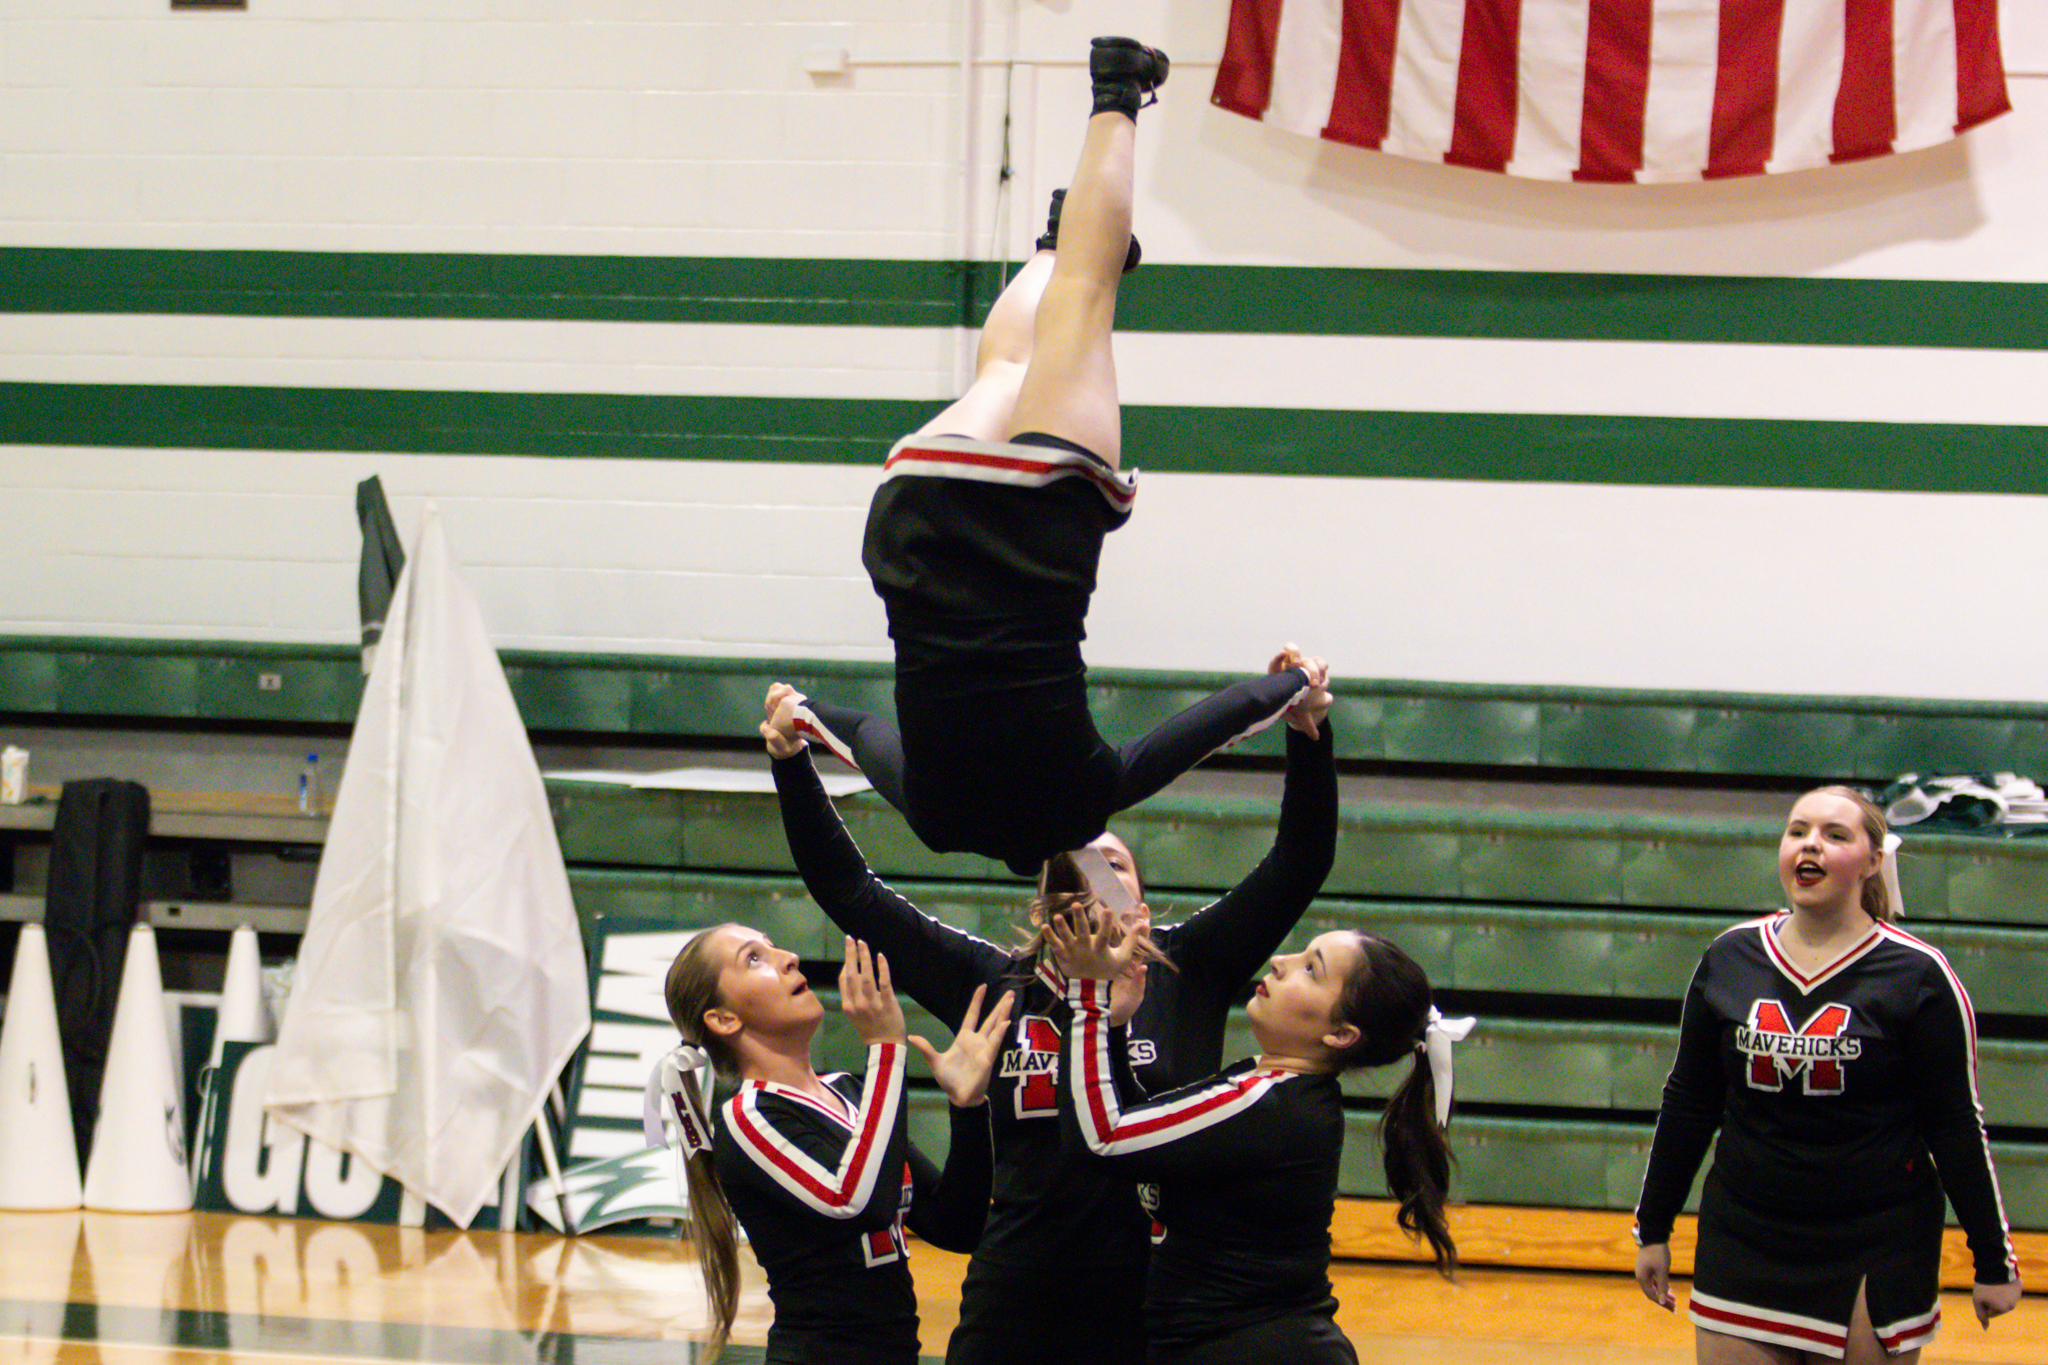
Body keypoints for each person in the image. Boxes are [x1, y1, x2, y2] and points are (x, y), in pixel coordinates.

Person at [773, 35, 1317, 878]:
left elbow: (1204, 728)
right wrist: (796, 713)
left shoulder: (1079, 800)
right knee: (1006, 365)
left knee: (1085, 297)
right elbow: (861, 733)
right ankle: (1055, 241)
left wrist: (1295, 690)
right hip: (916, 507)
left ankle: (1119, 91)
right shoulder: (936, 819)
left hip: (1033, 535)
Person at [762, 652, 1336, 1365]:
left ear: (1142, 908)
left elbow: (1302, 857)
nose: (1090, 867)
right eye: (1070, 863)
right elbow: (850, 890)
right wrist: (792, 761)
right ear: (1041, 902)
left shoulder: (1190, 965)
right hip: (1016, 1290)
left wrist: (1309, 730)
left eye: (1113, 862)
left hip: (1149, 1292)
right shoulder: (994, 980)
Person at [1632, 786, 2023, 1363]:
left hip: (1875, 1240)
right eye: (1798, 831)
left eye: (1835, 835)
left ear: (1872, 862)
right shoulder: (1730, 956)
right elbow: (1689, 1103)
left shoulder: (1918, 974)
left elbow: (1955, 1126)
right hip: (1745, 1234)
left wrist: (1993, 1259)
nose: (1810, 845)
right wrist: (1654, 1228)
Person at [1051, 909, 1461, 1365]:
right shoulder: (1272, 1086)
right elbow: (1141, 1140)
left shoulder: (1271, 1104)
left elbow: (1102, 1139)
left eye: (1311, 969)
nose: (1281, 961)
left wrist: (1087, 1000)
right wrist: (1113, 1024)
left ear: (1341, 1034)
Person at [659, 927, 1015, 1364]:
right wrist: (886, 1049)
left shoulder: (849, 1092)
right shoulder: (748, 1116)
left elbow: (956, 1225)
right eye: (754, 959)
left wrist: (968, 1107)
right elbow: (855, 1201)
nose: (787, 956)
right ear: (724, 1019)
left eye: (774, 944)